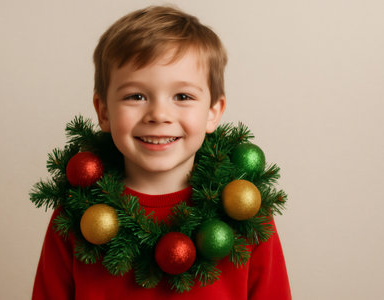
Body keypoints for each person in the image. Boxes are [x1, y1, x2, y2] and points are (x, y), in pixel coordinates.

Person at [32, 5, 291, 299]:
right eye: (136, 96)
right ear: (103, 112)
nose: (158, 114)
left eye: (182, 96)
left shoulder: (244, 211)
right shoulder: (79, 215)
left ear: (212, 112)